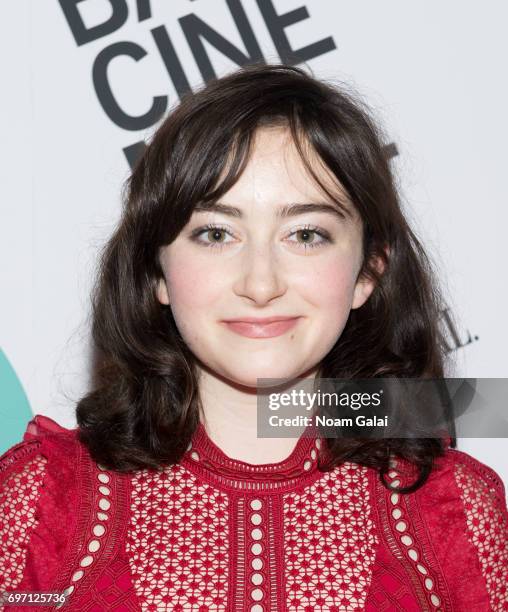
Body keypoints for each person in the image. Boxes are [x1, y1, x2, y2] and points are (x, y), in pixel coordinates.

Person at [1, 62, 507, 612]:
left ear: (368, 272)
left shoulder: (459, 509)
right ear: (156, 272)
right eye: (216, 233)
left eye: (306, 234)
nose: (260, 284)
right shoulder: (38, 500)